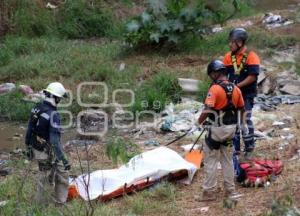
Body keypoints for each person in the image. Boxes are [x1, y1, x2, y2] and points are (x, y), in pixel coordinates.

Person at [197, 60, 246, 201]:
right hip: (231, 130)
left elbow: (208, 109)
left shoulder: (215, 89)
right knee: (228, 160)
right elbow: (242, 108)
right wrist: (243, 124)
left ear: (214, 73)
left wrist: (198, 122)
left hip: (217, 131)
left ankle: (209, 193)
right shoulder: (236, 89)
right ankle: (231, 192)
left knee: (211, 160)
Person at [25, 82, 71, 205]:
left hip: (36, 147)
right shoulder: (53, 115)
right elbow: (55, 141)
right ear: (55, 98)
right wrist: (64, 159)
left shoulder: (37, 107)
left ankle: (42, 204)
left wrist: (28, 148)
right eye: (60, 98)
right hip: (47, 149)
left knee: (44, 175)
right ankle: (58, 203)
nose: (60, 100)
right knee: (61, 172)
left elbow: (29, 128)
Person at [223, 27, 260, 158]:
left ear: (240, 42)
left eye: (232, 42)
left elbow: (253, 77)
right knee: (233, 120)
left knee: (245, 118)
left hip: (246, 94)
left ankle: (249, 147)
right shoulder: (228, 57)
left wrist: (237, 86)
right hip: (232, 95)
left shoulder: (251, 56)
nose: (229, 44)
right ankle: (236, 149)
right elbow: (224, 75)